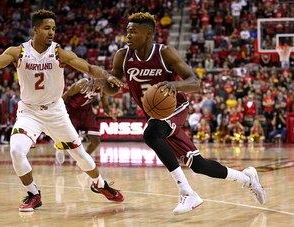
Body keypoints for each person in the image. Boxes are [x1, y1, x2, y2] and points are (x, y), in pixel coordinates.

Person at [91, 12, 266, 215]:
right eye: (127, 31)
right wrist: (103, 84)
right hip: (155, 115)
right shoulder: (122, 56)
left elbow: (195, 82)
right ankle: (247, 178)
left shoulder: (165, 53)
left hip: (176, 107)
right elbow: (115, 87)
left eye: (133, 32)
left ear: (148, 34)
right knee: (199, 165)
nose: (127, 36)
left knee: (151, 134)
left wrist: (173, 84)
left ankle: (187, 191)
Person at [0, 9, 124, 212]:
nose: (51, 32)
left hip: (56, 111)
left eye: (54, 29)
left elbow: (89, 68)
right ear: (35, 29)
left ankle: (100, 184)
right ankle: (33, 194)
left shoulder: (59, 53)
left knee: (81, 155)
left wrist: (107, 76)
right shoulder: (18, 52)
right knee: (16, 151)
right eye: (47, 28)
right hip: (29, 112)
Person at [56, 78, 114, 163]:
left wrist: (110, 112)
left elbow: (105, 106)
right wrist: (57, 110)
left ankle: (82, 161)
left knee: (96, 141)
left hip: (87, 112)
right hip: (72, 111)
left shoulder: (102, 88)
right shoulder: (82, 83)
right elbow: (67, 95)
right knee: (71, 139)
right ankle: (60, 147)